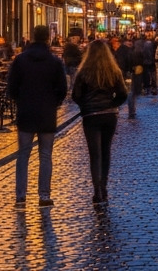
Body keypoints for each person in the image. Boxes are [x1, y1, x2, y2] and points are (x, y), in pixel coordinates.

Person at [7, 25, 68, 209]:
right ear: (48, 38)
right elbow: (63, 89)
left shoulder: (20, 61)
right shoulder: (55, 62)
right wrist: (53, 103)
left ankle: (20, 196)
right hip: (47, 114)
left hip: (26, 112)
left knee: (23, 155)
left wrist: (21, 101)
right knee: (45, 155)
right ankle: (44, 195)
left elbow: (11, 88)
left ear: (32, 37)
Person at [71, 40, 129, 204]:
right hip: (109, 115)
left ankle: (97, 190)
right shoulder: (113, 71)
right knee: (106, 151)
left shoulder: (84, 72)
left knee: (94, 154)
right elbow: (123, 94)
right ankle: (103, 187)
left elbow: (76, 95)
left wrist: (85, 106)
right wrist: (112, 104)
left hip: (91, 116)